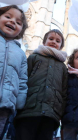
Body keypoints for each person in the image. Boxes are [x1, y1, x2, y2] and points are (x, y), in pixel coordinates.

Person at [15, 29, 68, 140]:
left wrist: (59, 112)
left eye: (58, 41)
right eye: (51, 39)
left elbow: (64, 91)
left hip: (50, 113)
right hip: (29, 109)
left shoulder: (62, 66)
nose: (54, 42)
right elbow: (23, 78)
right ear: (44, 42)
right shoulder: (34, 57)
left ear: (61, 46)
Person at [0, 5, 28, 137]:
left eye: (18, 22)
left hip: (5, 105)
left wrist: (19, 101)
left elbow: (23, 79)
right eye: (7, 16)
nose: (12, 22)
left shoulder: (21, 53)